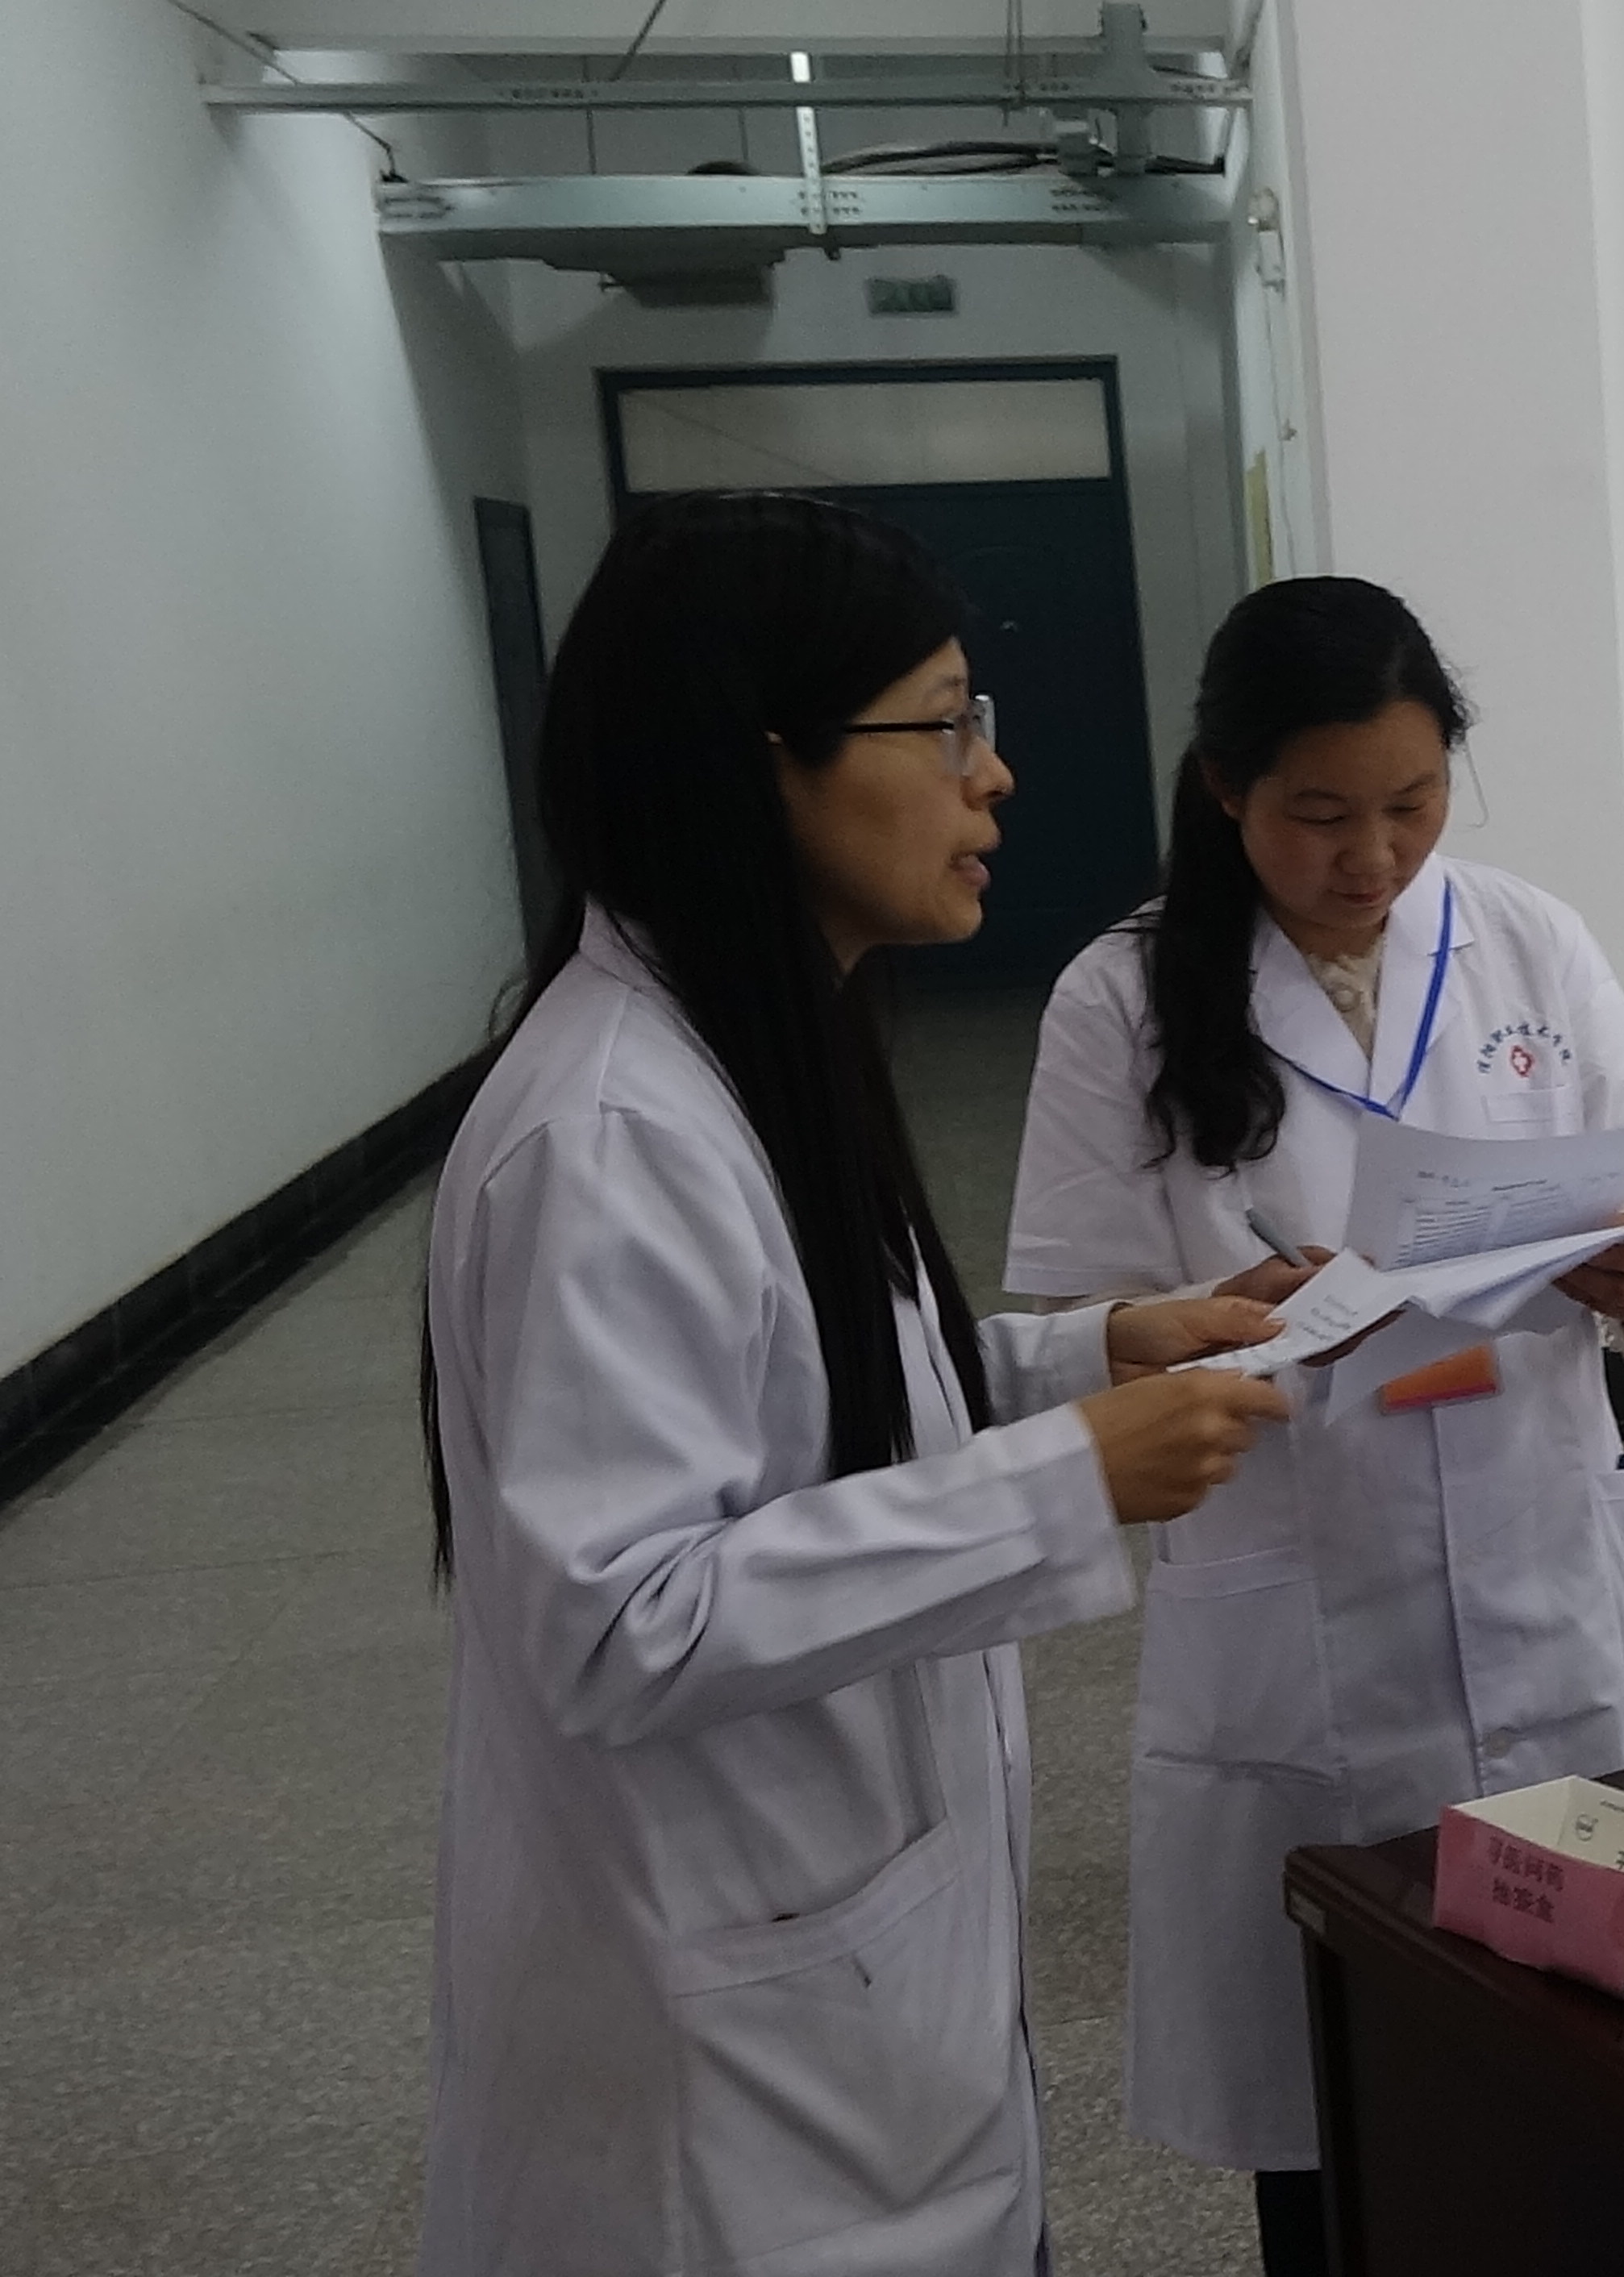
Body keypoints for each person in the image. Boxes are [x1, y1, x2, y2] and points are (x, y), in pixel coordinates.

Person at [414, 493, 1294, 2277]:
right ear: (764, 762)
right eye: (946, 722)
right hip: (731, 2114)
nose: (996, 775)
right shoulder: (615, 1135)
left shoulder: (749, 1037)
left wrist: (1091, 1351)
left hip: (850, 2014)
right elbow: (619, 1620)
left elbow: (805, 1389)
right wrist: (1070, 1476)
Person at [1004, 577, 1624, 2275]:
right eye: (1320, 814)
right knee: (1339, 2125)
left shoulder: (1528, 939)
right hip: (1305, 1594)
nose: (1373, 856)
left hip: (1543, 1565)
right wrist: (1242, 1309)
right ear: (1226, 787)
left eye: (1412, 802)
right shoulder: (1121, 997)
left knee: (1591, 2089)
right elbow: (1074, 1329)